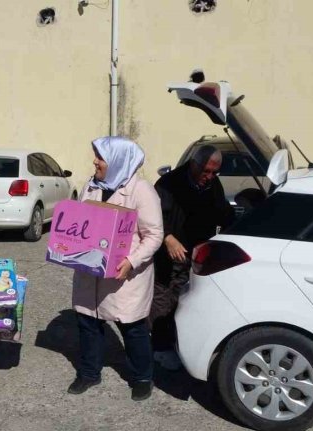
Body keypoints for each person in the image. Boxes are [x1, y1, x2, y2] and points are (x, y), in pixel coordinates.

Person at [69, 136, 163, 401]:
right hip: (91, 268)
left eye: (100, 157)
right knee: (88, 319)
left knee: (132, 327)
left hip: (125, 274)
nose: (95, 162)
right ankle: (89, 373)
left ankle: (142, 377)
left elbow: (154, 234)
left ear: (118, 160)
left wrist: (132, 261)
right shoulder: (92, 184)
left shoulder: (141, 190)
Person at [149, 145, 235, 370]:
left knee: (184, 298)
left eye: (215, 173)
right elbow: (152, 218)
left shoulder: (212, 185)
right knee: (163, 297)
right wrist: (168, 238)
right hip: (167, 253)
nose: (210, 177)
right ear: (194, 164)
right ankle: (159, 347)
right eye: (206, 171)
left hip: (196, 254)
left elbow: (222, 212)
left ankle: (179, 342)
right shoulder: (168, 184)